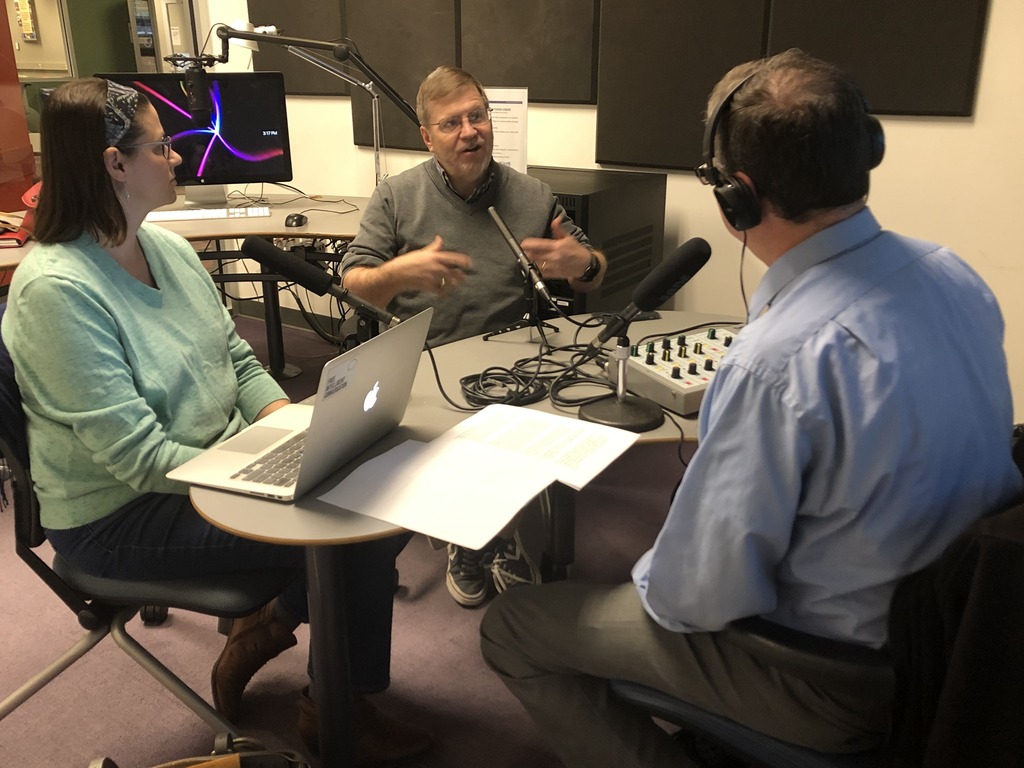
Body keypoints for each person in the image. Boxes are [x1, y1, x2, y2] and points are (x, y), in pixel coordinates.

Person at [479, 49, 1024, 768]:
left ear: (735, 196)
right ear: (868, 149)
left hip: (832, 681)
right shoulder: (955, 274)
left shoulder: (776, 362)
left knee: (515, 626)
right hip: (959, 639)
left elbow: (692, 600)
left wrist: (655, 558)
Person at [0, 78, 431, 765]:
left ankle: (266, 626)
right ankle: (336, 710)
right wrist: (260, 476)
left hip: (219, 466)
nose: (178, 160)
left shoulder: (162, 246)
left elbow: (236, 354)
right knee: (350, 528)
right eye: (162, 147)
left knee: (378, 488)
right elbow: (142, 461)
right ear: (115, 164)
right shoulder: (56, 291)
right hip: (119, 518)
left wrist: (286, 423)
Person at [340, 65, 608, 607]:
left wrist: (584, 264)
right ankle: (469, 538)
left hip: (510, 362)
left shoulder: (531, 196)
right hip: (427, 366)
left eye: (477, 117)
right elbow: (353, 284)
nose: (469, 132)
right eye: (451, 123)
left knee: (519, 425)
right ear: (427, 136)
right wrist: (398, 273)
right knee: (458, 438)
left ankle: (498, 532)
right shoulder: (396, 197)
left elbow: (594, 268)